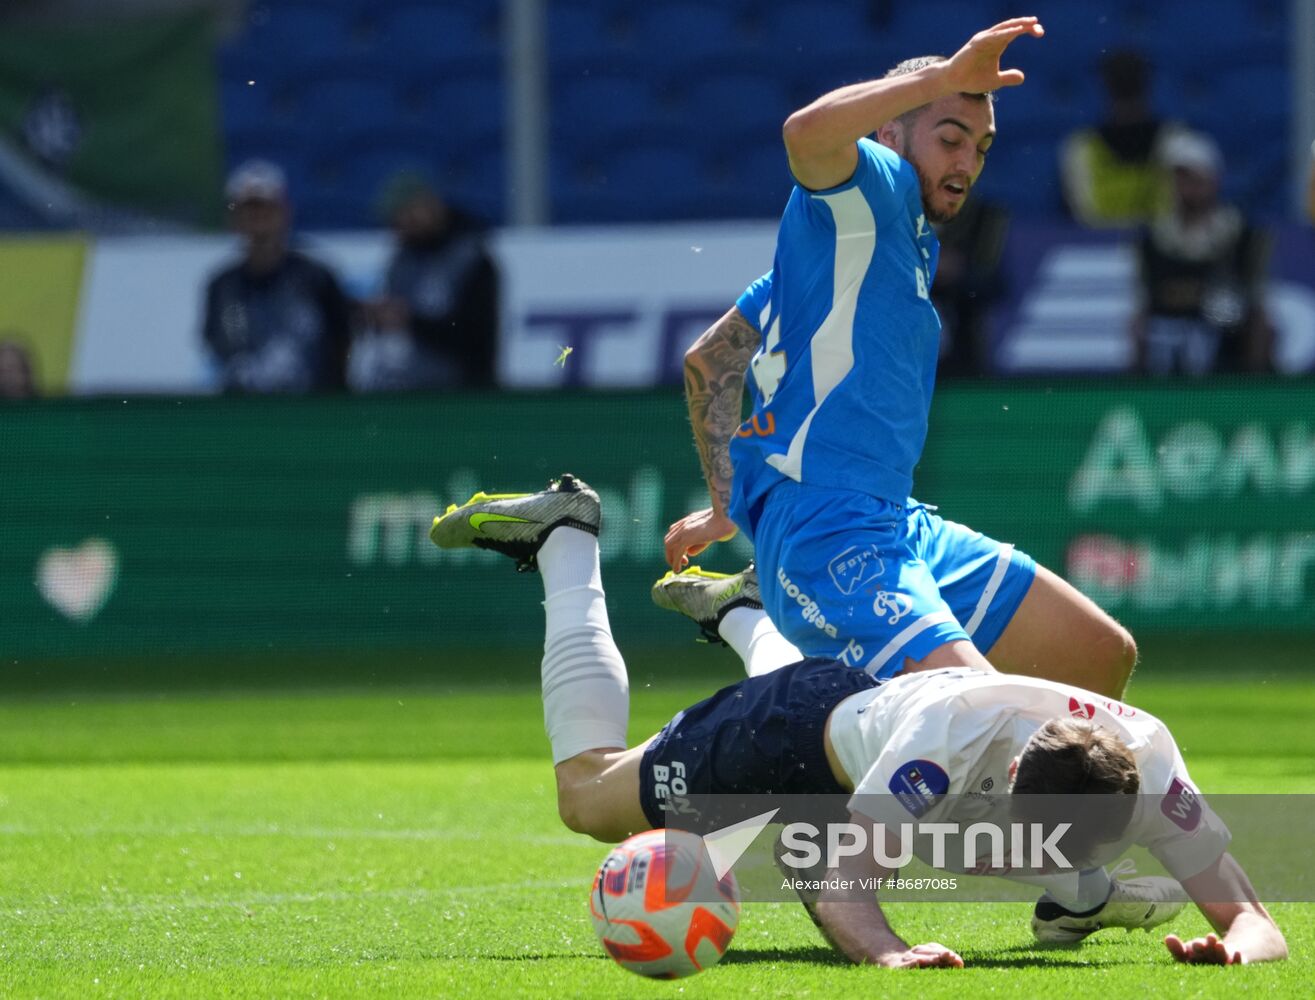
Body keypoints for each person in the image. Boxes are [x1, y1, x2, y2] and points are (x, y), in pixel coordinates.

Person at [430, 476, 1288, 968]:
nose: (1039, 854)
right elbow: (840, 882)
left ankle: (743, 614)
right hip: (788, 736)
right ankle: (567, 541)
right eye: (1045, 839)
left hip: (868, 714)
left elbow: (1256, 922)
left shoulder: (1151, 757)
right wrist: (886, 952)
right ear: (1018, 773)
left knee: (962, 836)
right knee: (586, 797)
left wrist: (1234, 949)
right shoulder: (955, 733)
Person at [665, 18, 1137, 698]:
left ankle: (755, 623)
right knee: (974, 715)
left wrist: (724, 504)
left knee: (1096, 654)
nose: (967, 164)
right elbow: (803, 133)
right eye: (949, 138)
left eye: (980, 147)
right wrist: (944, 78)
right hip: (829, 528)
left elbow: (709, 360)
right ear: (887, 134)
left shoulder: (865, 247)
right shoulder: (874, 184)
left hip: (892, 519)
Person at [202, 160, 353, 393]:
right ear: (234, 218)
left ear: (284, 212)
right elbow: (218, 345)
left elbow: (343, 343)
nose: (258, 217)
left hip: (313, 412)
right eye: (249, 210)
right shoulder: (222, 286)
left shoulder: (316, 278)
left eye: (266, 208)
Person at [1132, 131, 1272, 375]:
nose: (1186, 187)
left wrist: (1255, 380)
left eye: (1193, 176)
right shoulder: (1153, 242)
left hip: (1229, 370)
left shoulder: (1242, 238)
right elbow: (1139, 319)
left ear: (1213, 179)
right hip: (1169, 375)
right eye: (1179, 177)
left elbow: (1261, 315)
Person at [354, 173, 498, 391]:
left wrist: (409, 321)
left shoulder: (472, 260)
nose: (400, 225)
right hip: (407, 388)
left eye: (405, 214)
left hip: (459, 392)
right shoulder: (401, 261)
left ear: (427, 205)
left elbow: (476, 338)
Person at [1059, 49, 1191, 228]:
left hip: (1162, 249)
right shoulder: (1081, 148)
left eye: (1131, 80)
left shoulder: (1176, 142)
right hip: (1099, 250)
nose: (1126, 85)